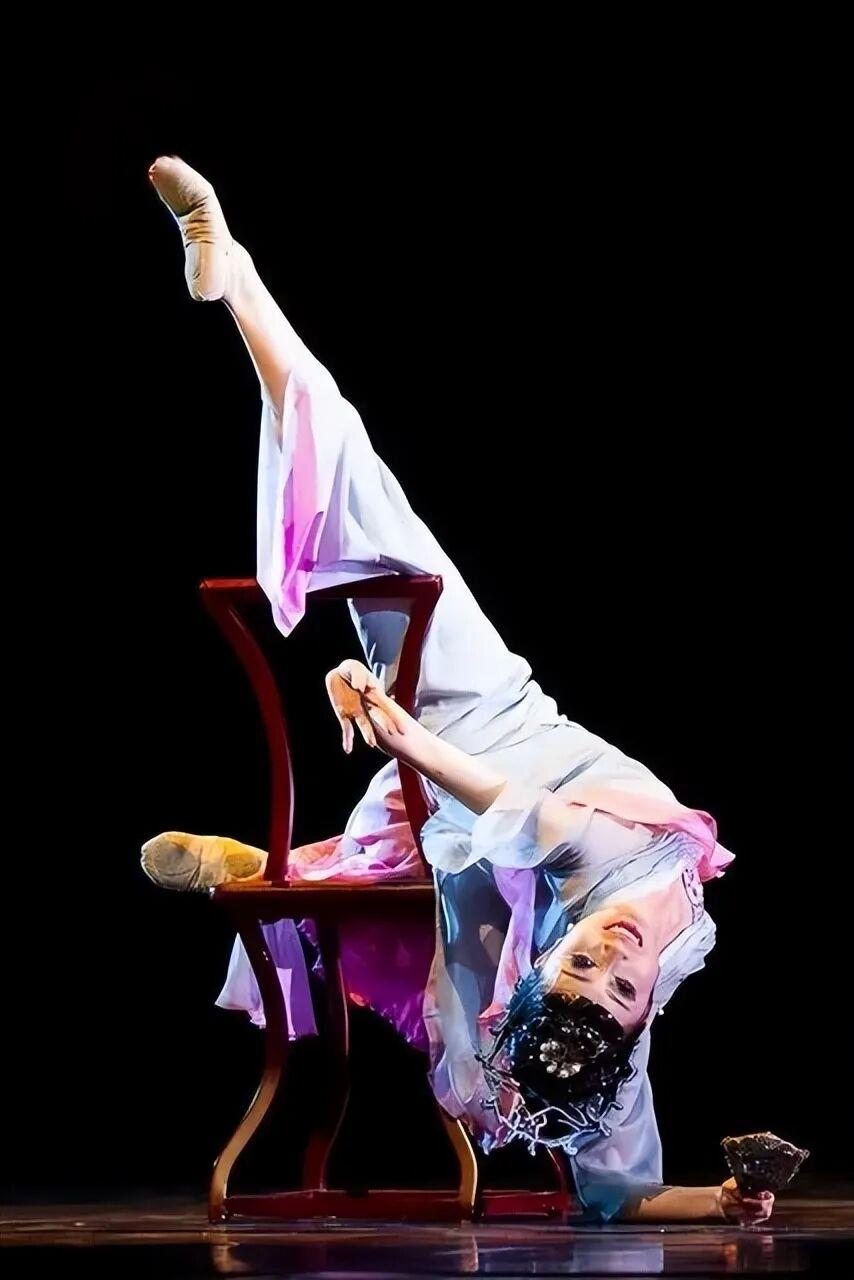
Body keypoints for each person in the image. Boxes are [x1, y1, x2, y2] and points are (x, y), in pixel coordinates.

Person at [141, 157, 772, 1225]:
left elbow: (519, 812)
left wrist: (400, 727)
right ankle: (237, 281)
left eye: (579, 964)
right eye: (619, 986)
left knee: (376, 513)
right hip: (497, 744)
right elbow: (622, 1191)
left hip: (471, 734)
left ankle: (237, 277)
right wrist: (722, 1201)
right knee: (374, 516)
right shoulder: (636, 974)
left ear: (547, 963)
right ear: (637, 1017)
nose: (613, 960)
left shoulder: (584, 896)